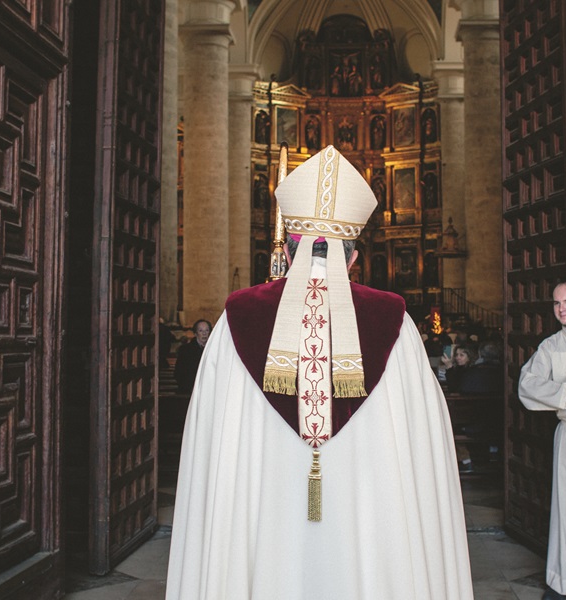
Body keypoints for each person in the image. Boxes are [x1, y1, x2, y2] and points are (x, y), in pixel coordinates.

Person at [167, 146, 473, 599]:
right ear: (353, 258)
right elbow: (425, 444)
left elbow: (210, 442)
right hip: (370, 515)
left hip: (264, 517)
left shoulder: (236, 319)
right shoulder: (396, 323)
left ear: (289, 252)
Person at [518, 281, 566, 599]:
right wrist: (564, 390)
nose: (562, 309)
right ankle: (564, 582)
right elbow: (526, 385)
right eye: (557, 303)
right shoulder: (551, 346)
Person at [173, 319, 211, 394]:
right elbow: (179, 373)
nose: (204, 333)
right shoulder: (186, 350)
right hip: (189, 391)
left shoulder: (214, 349)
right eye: (200, 331)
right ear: (195, 333)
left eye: (207, 330)